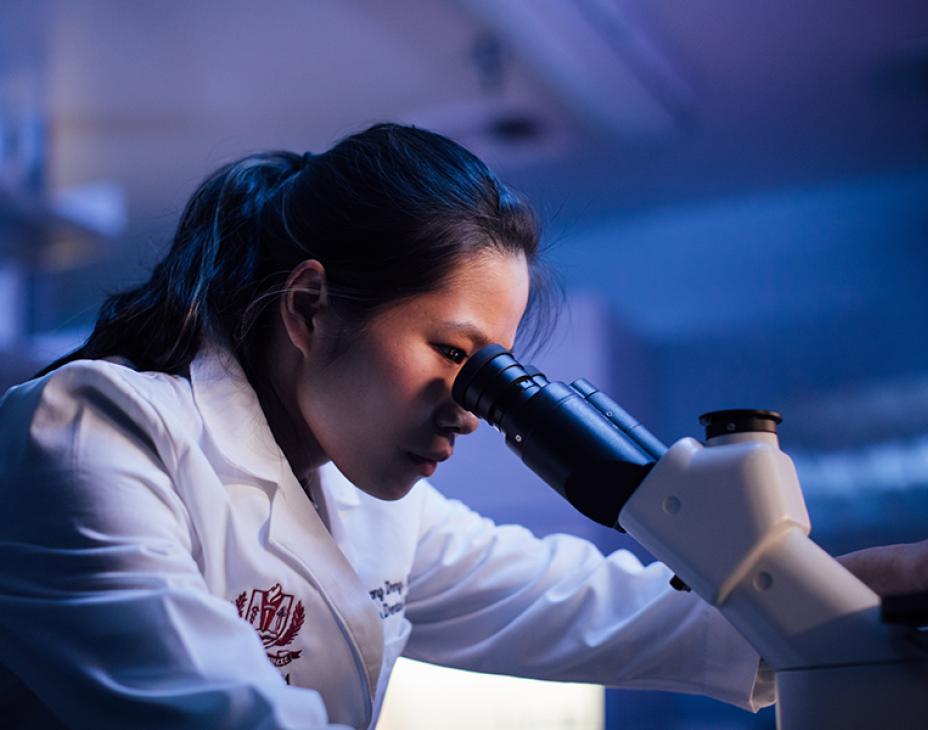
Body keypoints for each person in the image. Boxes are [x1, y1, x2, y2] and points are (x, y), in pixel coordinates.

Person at [0, 123, 921, 730]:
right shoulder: (93, 434)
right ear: (312, 307)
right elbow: (216, 714)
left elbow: (613, 611)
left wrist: (863, 586)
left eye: (495, 370)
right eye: (453, 350)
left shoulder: (375, 512)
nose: (473, 404)